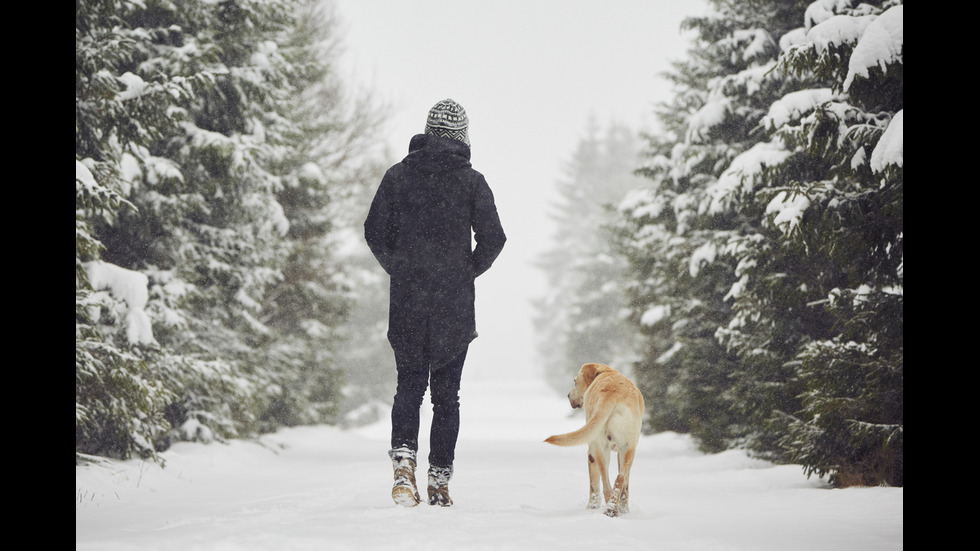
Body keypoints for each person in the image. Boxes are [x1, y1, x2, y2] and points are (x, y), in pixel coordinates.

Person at [364, 99, 506, 507]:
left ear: (427, 132)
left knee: (408, 385)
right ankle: (439, 481)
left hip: (408, 300)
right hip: (453, 305)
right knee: (447, 395)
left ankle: (403, 468)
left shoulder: (398, 176)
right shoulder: (472, 182)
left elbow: (375, 230)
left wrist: (401, 267)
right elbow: (494, 238)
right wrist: (464, 273)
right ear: (462, 138)